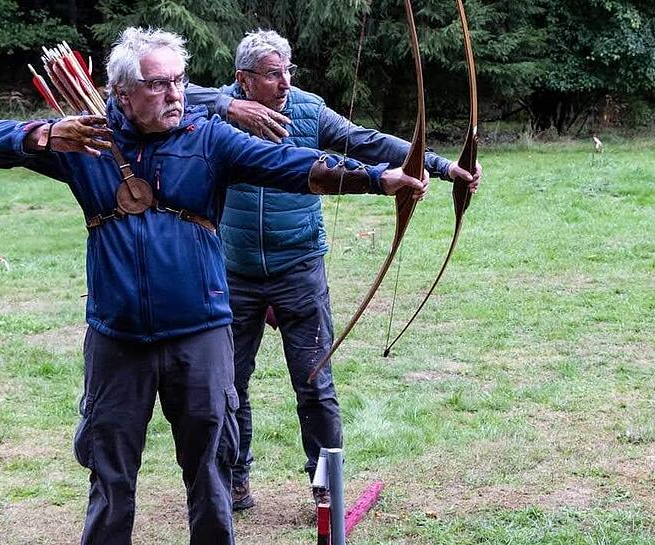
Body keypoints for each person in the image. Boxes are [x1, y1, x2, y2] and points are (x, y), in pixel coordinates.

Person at [0, 27, 427, 545]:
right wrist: (43, 136)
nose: (174, 94)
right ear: (122, 93)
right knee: (111, 477)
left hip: (200, 334)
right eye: (158, 85)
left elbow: (291, 164)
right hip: (118, 339)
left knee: (211, 474)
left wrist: (377, 177)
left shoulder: (207, 137)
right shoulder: (86, 139)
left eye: (179, 82)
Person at [186, 29, 481, 511]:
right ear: (243, 79)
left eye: (287, 71)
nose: (284, 82)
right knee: (228, 384)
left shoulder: (305, 108)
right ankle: (233, 479)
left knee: (314, 380)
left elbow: (365, 142)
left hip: (298, 266)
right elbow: (163, 92)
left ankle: (326, 486)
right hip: (233, 270)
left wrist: (442, 166)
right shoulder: (217, 109)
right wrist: (228, 107)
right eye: (271, 73)